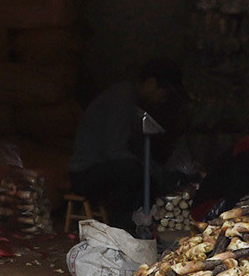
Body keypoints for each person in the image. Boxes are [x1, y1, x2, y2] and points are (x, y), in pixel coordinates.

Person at [70, 58, 185, 230]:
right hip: (85, 173)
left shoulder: (131, 100)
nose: (163, 98)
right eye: (163, 91)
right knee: (133, 171)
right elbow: (115, 151)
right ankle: (122, 229)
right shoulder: (121, 97)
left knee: (144, 173)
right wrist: (147, 170)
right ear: (151, 83)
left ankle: (142, 225)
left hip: (103, 168)